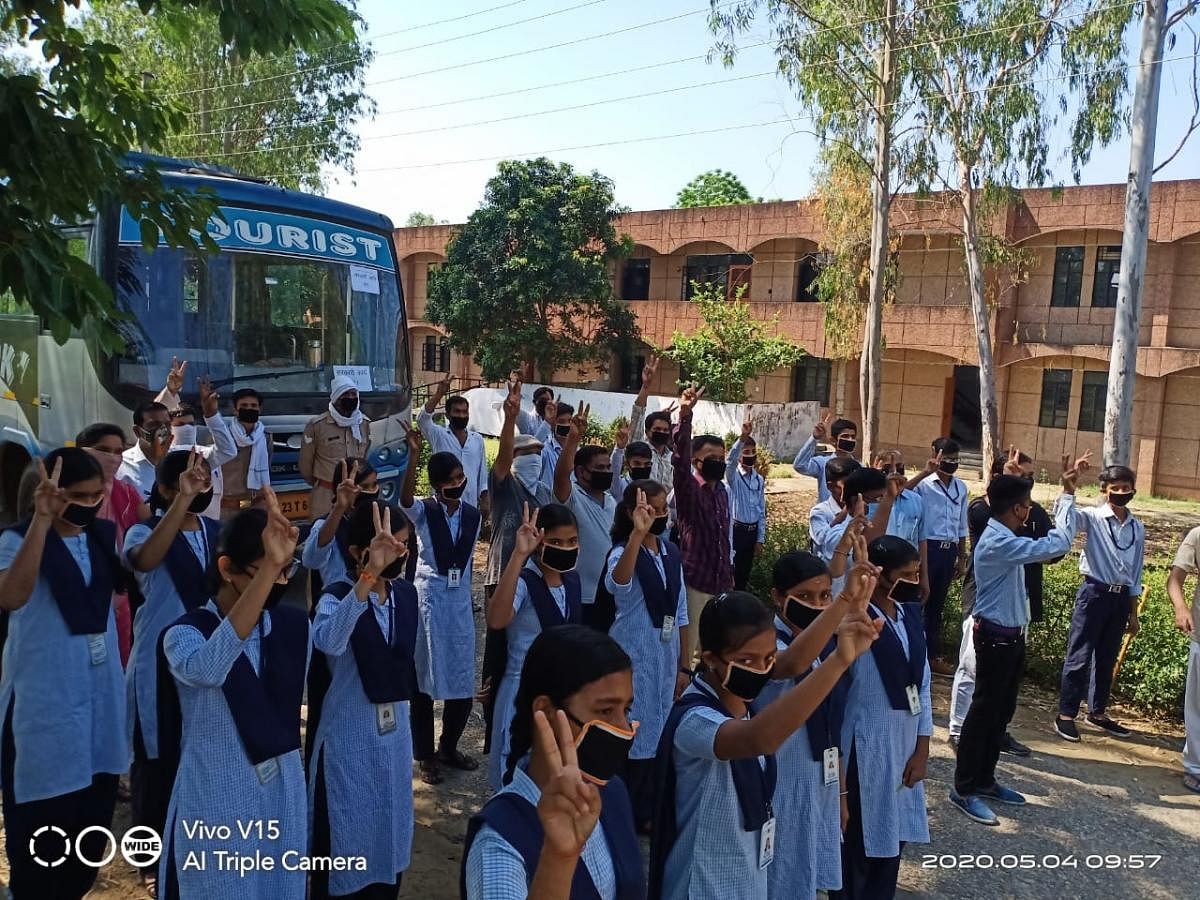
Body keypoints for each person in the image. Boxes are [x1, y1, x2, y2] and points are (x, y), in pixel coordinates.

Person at [649, 583, 881, 900]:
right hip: (702, 882)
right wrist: (839, 660)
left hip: (746, 878)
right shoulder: (695, 719)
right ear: (711, 660)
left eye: (768, 658)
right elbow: (759, 739)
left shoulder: (743, 708)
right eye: (746, 660)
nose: (761, 671)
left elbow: (790, 665)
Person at [155, 496, 309, 900]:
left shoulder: (289, 626)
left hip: (282, 793)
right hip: (217, 798)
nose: (279, 582)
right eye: (266, 571)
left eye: (285, 570)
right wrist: (270, 572)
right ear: (228, 570)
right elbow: (209, 669)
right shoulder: (184, 634)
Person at [0, 449, 128, 899]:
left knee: (87, 843)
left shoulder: (100, 538)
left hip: (97, 709)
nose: (89, 505)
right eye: (78, 496)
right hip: (45, 709)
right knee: (40, 844)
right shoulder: (15, 541)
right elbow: (12, 596)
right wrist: (41, 520)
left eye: (97, 496)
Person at [462, 625, 645, 900]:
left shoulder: (611, 792)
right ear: (546, 711)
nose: (624, 728)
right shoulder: (499, 841)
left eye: (626, 710)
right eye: (605, 711)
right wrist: (559, 858)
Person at [950, 457, 1083, 828]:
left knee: (1001, 711)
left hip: (1010, 635)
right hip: (993, 638)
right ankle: (963, 789)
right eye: (1026, 505)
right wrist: (1068, 496)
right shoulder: (998, 542)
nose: (1029, 511)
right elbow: (1055, 543)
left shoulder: (1006, 536)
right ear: (1018, 508)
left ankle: (986, 781)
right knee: (982, 714)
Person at [309, 500, 417, 900]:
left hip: (392, 736)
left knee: (387, 824)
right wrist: (369, 576)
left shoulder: (404, 596)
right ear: (358, 553)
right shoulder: (338, 596)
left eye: (403, 546)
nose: (398, 554)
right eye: (388, 546)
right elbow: (329, 642)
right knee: (347, 827)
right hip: (349, 734)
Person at [124, 450, 218, 896]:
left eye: (206, 477)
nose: (202, 484)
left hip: (203, 660)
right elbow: (144, 561)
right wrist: (180, 503)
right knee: (154, 760)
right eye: (191, 478)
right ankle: (148, 855)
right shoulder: (144, 531)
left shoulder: (215, 533)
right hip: (158, 664)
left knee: (195, 753)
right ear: (165, 488)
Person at [835, 536, 932, 899]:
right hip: (867, 747)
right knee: (859, 844)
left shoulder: (908, 616)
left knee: (893, 841)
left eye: (917, 571)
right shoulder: (857, 622)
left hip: (905, 746)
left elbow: (920, 687)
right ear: (882, 576)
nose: (915, 580)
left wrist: (922, 750)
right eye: (907, 574)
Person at [759, 550, 858, 900]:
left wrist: (841, 794)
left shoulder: (826, 646)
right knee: (780, 876)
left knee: (808, 874)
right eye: (804, 597)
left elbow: (834, 725)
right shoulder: (765, 644)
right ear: (777, 596)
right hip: (782, 782)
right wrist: (843, 602)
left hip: (821, 781)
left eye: (824, 596)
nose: (816, 605)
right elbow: (790, 664)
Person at [949, 450, 1051, 757]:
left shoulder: (1031, 511)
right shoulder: (982, 510)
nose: (1026, 483)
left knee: (1006, 681)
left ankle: (998, 731)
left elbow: (1052, 545)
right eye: (1019, 476)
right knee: (971, 669)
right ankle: (957, 729)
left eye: (1029, 477)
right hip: (982, 602)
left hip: (1017, 605)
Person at [601, 482, 690, 828]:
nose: (660, 516)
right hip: (633, 653)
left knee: (659, 724)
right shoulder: (623, 551)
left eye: (663, 509)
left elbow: (681, 612)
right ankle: (626, 809)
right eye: (652, 510)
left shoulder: (671, 553)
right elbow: (618, 584)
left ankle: (651, 807)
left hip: (665, 657)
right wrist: (638, 535)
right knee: (632, 727)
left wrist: (684, 665)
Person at [400, 436, 481, 784]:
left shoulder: (473, 515)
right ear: (436, 485)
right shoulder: (424, 510)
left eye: (460, 479)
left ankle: (449, 745)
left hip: (458, 603)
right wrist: (412, 458)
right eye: (449, 481)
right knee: (425, 678)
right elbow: (403, 500)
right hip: (429, 600)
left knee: (461, 679)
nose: (457, 485)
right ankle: (425, 754)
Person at [486, 503, 583, 790]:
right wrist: (518, 555)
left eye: (572, 541)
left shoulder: (572, 582)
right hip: (523, 691)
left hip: (561, 691)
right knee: (515, 771)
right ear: (540, 542)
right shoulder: (525, 582)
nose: (565, 548)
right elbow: (497, 618)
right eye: (555, 542)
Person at [480, 378, 552, 761]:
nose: (534, 457)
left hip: (531, 583)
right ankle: (493, 733)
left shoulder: (540, 496)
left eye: (539, 452)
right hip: (500, 579)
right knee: (496, 660)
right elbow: (504, 461)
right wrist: (510, 422)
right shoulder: (506, 489)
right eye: (530, 452)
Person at [1056, 463, 1143, 742]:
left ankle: (1097, 712)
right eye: (1114, 488)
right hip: (1094, 592)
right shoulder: (1092, 517)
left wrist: (1133, 612)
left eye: (1125, 488)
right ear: (1104, 491)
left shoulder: (1136, 526)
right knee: (1080, 653)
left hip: (1120, 599)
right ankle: (1066, 714)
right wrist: (1068, 491)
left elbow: (1136, 571)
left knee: (1106, 657)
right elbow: (1065, 525)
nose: (1120, 493)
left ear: (1133, 490)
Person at [77, 422, 149, 668]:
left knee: (116, 668)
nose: (113, 457)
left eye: (119, 451)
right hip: (75, 591)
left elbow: (151, 525)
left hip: (118, 594)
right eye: (103, 449)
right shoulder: (63, 497)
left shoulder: (127, 493)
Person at [671, 385, 734, 661]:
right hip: (696, 582)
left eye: (722, 458)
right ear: (696, 461)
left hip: (721, 581)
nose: (718, 463)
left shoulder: (721, 490)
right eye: (712, 458)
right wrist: (685, 416)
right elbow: (679, 463)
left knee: (716, 650)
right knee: (691, 652)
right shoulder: (689, 490)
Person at [552, 402, 618, 613]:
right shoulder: (573, 499)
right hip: (581, 595)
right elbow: (561, 476)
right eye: (600, 468)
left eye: (608, 467)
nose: (607, 471)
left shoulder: (611, 502)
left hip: (609, 594)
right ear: (581, 472)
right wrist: (573, 438)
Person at [913, 437, 970, 673]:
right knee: (917, 602)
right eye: (947, 458)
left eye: (956, 459)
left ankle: (931, 657)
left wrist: (962, 555)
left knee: (936, 607)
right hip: (928, 549)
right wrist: (925, 473)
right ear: (934, 453)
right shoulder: (923, 485)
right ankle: (913, 654)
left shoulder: (961, 488)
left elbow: (961, 524)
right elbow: (900, 495)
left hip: (949, 551)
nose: (952, 463)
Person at [154, 363, 238, 520]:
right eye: (180, 425)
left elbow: (229, 450)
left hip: (206, 527)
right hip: (171, 526)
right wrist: (171, 391)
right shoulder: (162, 455)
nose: (186, 428)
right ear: (169, 428)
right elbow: (154, 417)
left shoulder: (204, 455)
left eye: (190, 424)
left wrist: (211, 414)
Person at [300, 375, 373, 519]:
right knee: (322, 536)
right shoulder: (317, 425)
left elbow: (364, 459)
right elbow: (305, 465)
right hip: (326, 495)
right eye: (345, 394)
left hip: (355, 495)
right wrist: (322, 484)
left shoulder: (363, 424)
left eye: (353, 394)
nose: (350, 398)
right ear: (336, 397)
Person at [419, 375, 489, 511]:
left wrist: (485, 499)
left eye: (465, 412)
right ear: (447, 415)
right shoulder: (438, 435)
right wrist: (439, 394)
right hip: (441, 505)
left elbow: (482, 473)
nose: (462, 416)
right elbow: (423, 419)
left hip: (470, 505)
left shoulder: (477, 439)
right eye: (457, 411)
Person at [1167, 526, 1200, 793]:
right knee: (1197, 704)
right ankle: (1195, 767)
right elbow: (1175, 579)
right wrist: (1181, 607)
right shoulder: (1197, 536)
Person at [726, 412, 766, 591]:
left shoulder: (758, 479)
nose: (750, 455)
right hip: (736, 530)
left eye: (753, 452)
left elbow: (761, 510)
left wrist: (760, 537)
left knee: (744, 572)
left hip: (752, 531)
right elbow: (730, 462)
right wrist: (742, 438)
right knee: (731, 571)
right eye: (746, 452)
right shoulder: (734, 477)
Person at [220, 388, 272, 520]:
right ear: (235, 410)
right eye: (244, 406)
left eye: (253, 406)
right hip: (227, 511)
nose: (249, 409)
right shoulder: (223, 438)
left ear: (259, 409)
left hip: (257, 507)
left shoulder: (265, 438)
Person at [628, 356, 675, 489]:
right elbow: (638, 414)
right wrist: (646, 386)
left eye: (665, 430)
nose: (662, 433)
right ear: (647, 432)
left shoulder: (672, 458)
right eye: (657, 429)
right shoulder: (640, 449)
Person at [793, 412, 858, 502]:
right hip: (827, 514)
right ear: (833, 440)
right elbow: (800, 465)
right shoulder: (823, 464)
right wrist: (814, 438)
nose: (850, 440)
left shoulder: (859, 467)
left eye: (853, 436)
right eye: (845, 436)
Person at [118, 399, 173, 502]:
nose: (163, 430)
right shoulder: (121, 465)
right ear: (137, 431)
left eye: (167, 424)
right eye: (154, 425)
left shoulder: (179, 457)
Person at [810, 456, 860, 554]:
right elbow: (821, 540)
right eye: (848, 486)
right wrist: (846, 512)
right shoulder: (820, 511)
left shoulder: (865, 507)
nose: (854, 490)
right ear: (830, 486)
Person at [538, 401, 577, 487]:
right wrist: (547, 422)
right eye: (561, 421)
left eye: (570, 421)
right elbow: (532, 452)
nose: (567, 425)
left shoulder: (577, 451)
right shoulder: (545, 449)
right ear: (553, 424)